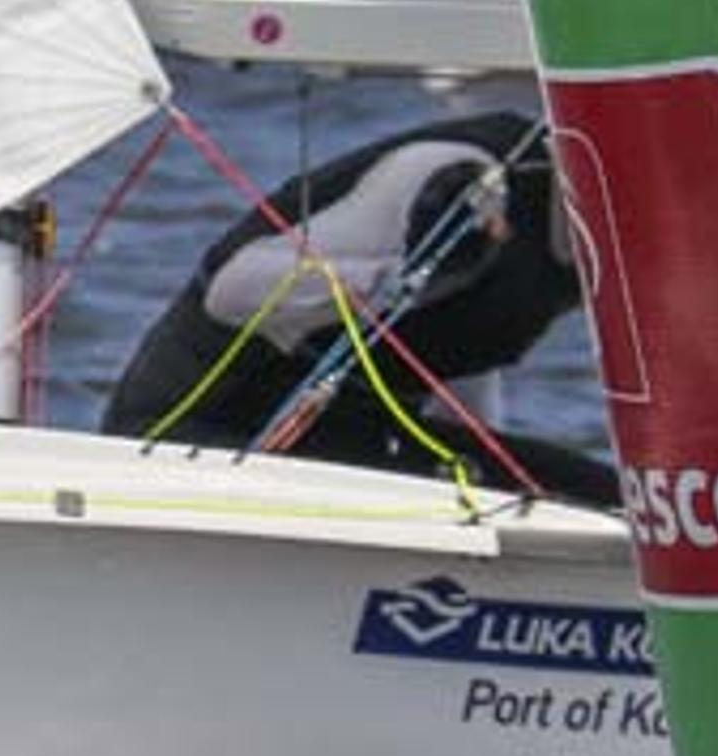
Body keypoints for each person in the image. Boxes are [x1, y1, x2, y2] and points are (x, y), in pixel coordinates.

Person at [99, 107, 620, 505]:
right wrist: (396, 278)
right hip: (203, 433)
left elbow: (460, 346)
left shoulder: (614, 249)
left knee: (624, 508)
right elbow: (232, 291)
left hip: (360, 440)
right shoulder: (465, 179)